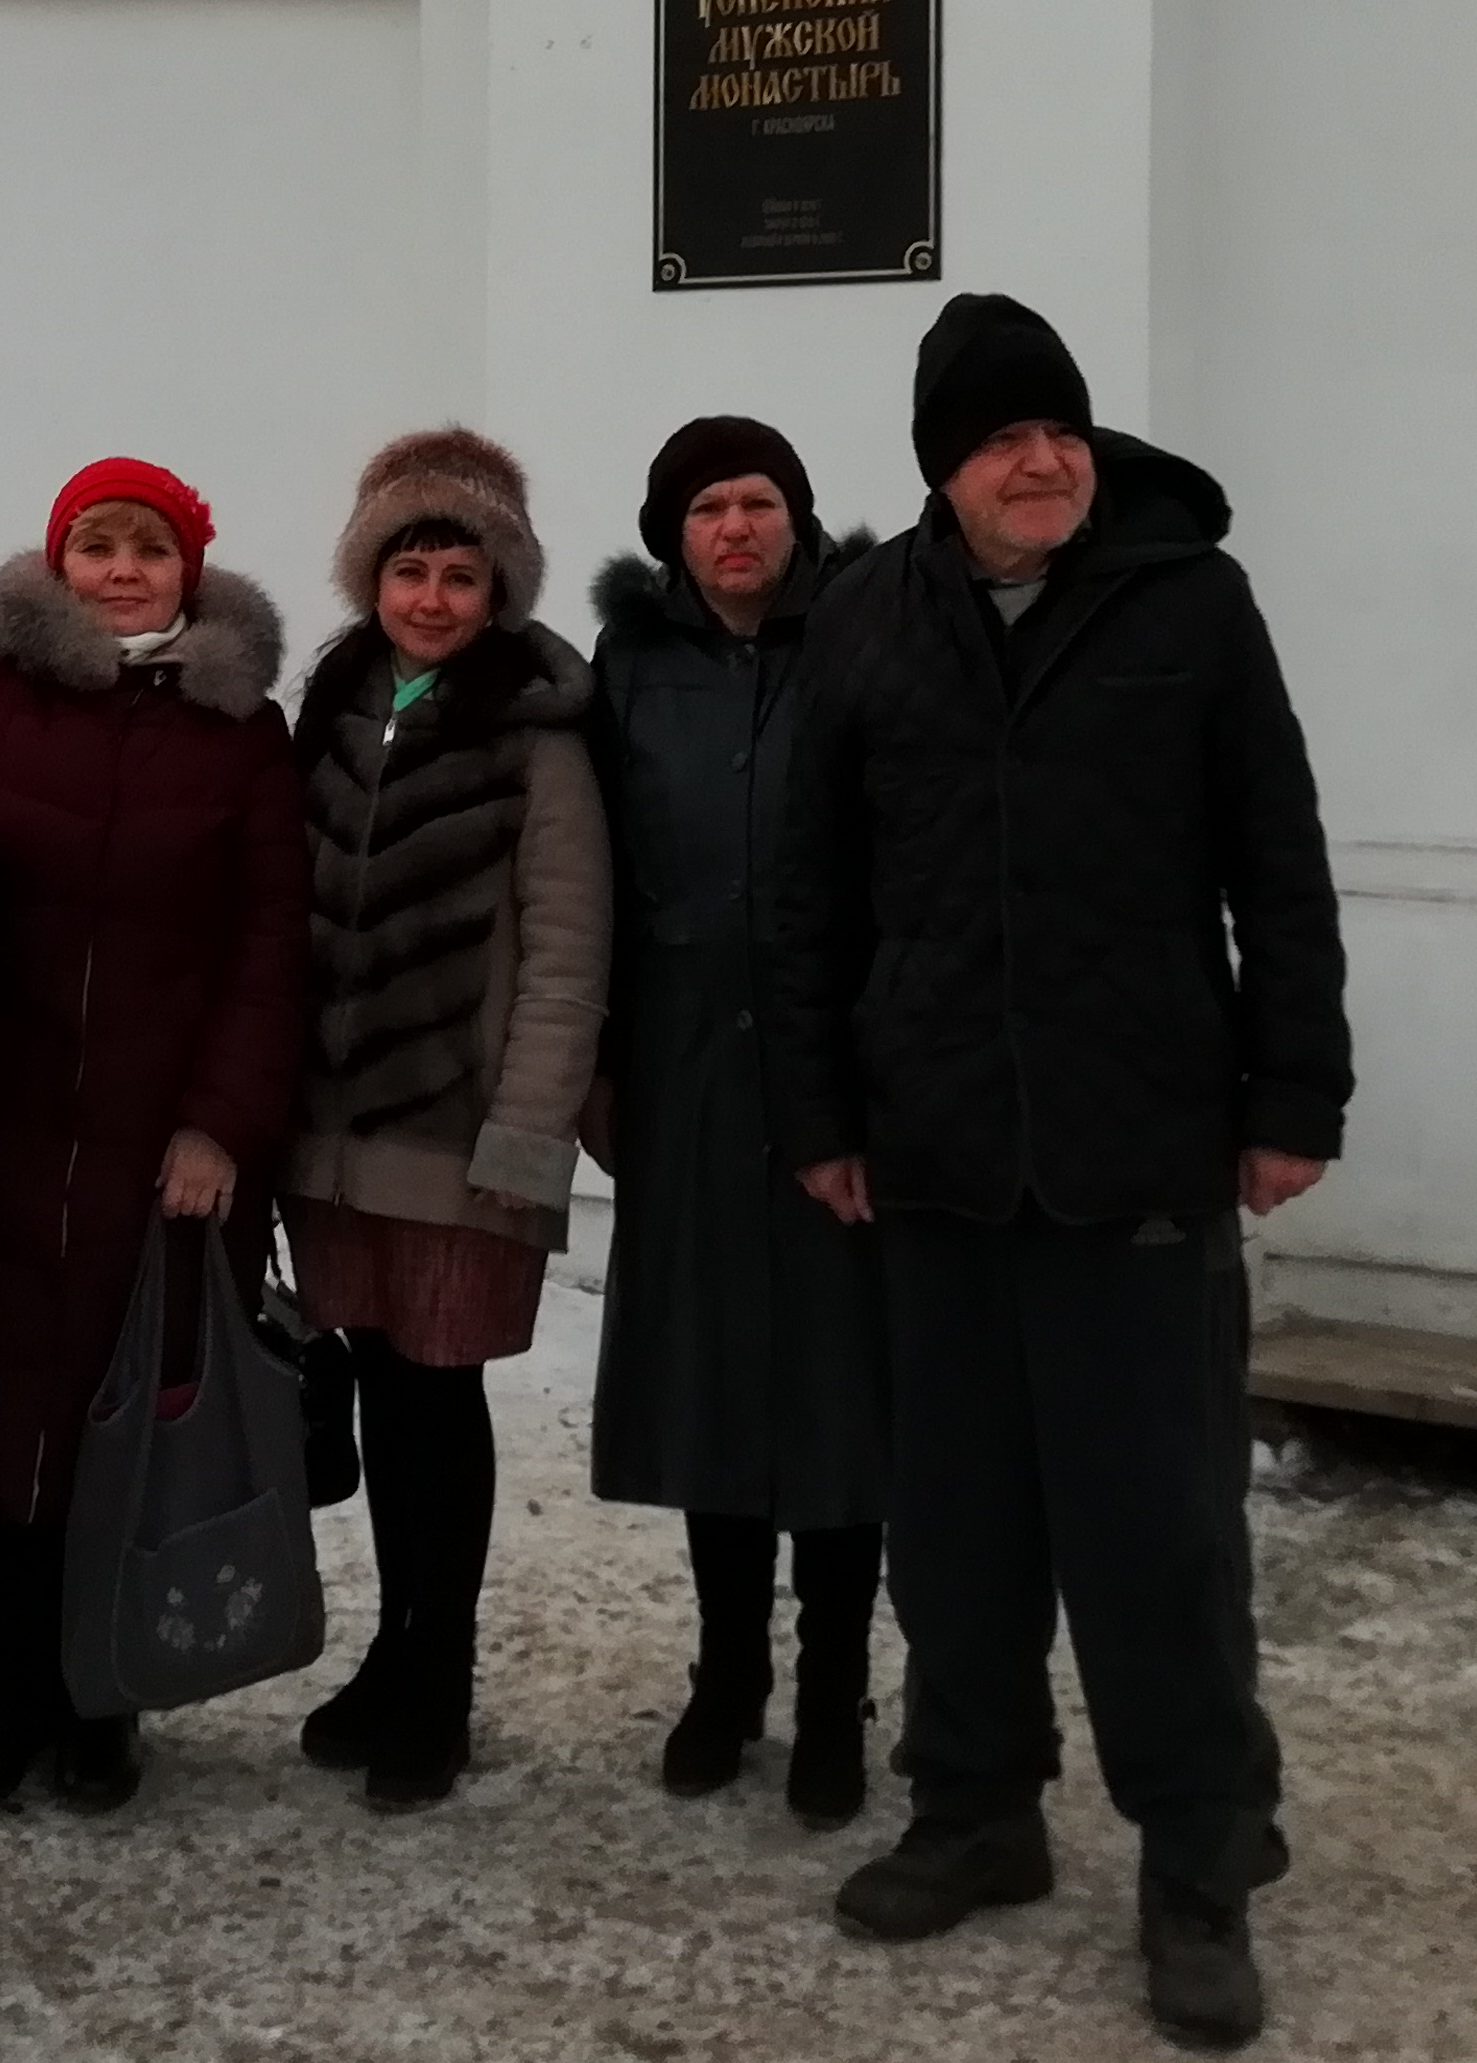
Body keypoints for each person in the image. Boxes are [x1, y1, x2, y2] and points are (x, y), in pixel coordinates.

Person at [770, 296, 1351, 2055]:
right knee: (955, 1521)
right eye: (1003, 439)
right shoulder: (866, 615)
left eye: (1060, 432)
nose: (1042, 462)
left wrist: (1294, 1092)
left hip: (1137, 1140)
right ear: (944, 469)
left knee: (1160, 1531)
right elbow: (810, 888)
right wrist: (820, 1116)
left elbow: (1279, 856)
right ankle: (977, 1810)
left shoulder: (1190, 600)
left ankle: (1200, 1860)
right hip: (934, 1146)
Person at [0, 457, 307, 1816]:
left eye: (150, 548)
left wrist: (218, 1124)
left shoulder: (240, 733)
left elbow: (269, 948)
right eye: (98, 545)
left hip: (152, 1155)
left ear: (190, 569)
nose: (123, 571)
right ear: (58, 562)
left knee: (115, 1431)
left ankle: (102, 1699)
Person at [282, 426, 611, 1812]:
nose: (431, 598)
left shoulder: (537, 737)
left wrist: (525, 1135)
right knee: (374, 1384)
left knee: (437, 1397)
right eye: (409, 570)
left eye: (459, 576)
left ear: (498, 592)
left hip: (462, 1139)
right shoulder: (330, 709)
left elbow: (568, 956)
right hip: (334, 1135)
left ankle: (441, 1676)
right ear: (372, 577)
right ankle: (391, 1650)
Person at [583, 417, 889, 1827]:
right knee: (711, 1386)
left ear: (798, 519)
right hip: (688, 1071)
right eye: (708, 509)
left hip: (839, 1076)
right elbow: (594, 869)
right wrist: (600, 1065)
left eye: (760, 502)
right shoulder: (630, 666)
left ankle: (835, 1691)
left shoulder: (869, 641)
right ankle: (730, 1675)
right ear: (674, 536)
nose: (737, 529)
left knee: (838, 1395)